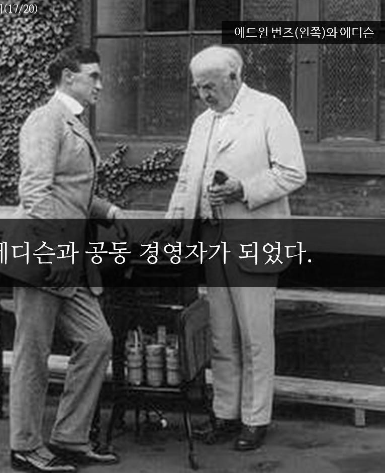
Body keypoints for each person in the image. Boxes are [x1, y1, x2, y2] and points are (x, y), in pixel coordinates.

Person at [165, 45, 306, 451]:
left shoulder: (269, 110)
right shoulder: (202, 123)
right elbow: (187, 179)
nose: (204, 95)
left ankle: (255, 419)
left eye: (210, 86)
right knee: (221, 334)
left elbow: (293, 172)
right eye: (198, 88)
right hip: (212, 239)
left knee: (255, 335)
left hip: (255, 238)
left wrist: (243, 188)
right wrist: (174, 228)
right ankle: (225, 414)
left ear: (234, 77)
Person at [0, 46, 128, 472]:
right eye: (93, 76)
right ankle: (24, 448)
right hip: (43, 253)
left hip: (66, 256)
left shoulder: (72, 122)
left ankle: (70, 437)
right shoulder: (46, 120)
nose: (100, 85)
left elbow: (68, 188)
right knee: (33, 353)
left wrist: (106, 209)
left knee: (96, 340)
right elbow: (35, 192)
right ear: (68, 78)